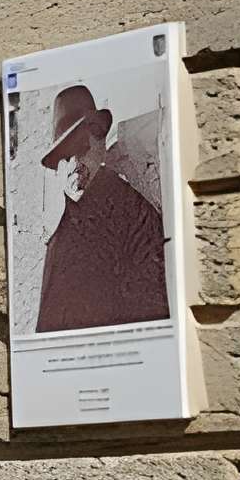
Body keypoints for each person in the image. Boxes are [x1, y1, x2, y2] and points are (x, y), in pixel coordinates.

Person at [29, 82, 169, 332]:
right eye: (64, 156)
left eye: (79, 148)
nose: (73, 163)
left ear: (100, 140)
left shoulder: (134, 213)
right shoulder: (63, 221)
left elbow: (152, 307)